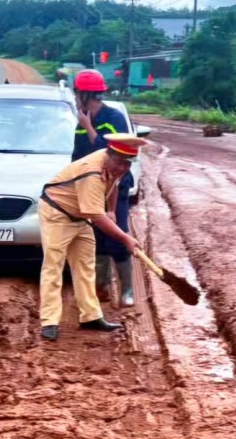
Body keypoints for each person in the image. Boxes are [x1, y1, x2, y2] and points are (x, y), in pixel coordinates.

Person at [38, 133, 146, 342]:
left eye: (127, 164)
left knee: (86, 266)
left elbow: (115, 182)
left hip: (80, 215)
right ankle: (49, 321)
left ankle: (91, 316)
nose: (123, 168)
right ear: (109, 154)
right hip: (57, 213)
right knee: (54, 266)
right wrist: (126, 239)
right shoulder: (92, 173)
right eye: (120, 162)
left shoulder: (117, 164)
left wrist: (112, 210)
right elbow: (96, 216)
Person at [70, 69, 136, 306]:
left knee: (117, 238)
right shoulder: (81, 117)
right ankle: (102, 288)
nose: (75, 97)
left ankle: (128, 290)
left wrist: (88, 126)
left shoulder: (113, 117)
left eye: (77, 92)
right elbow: (78, 155)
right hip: (90, 187)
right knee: (94, 239)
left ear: (86, 94)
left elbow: (114, 155)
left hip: (115, 185)